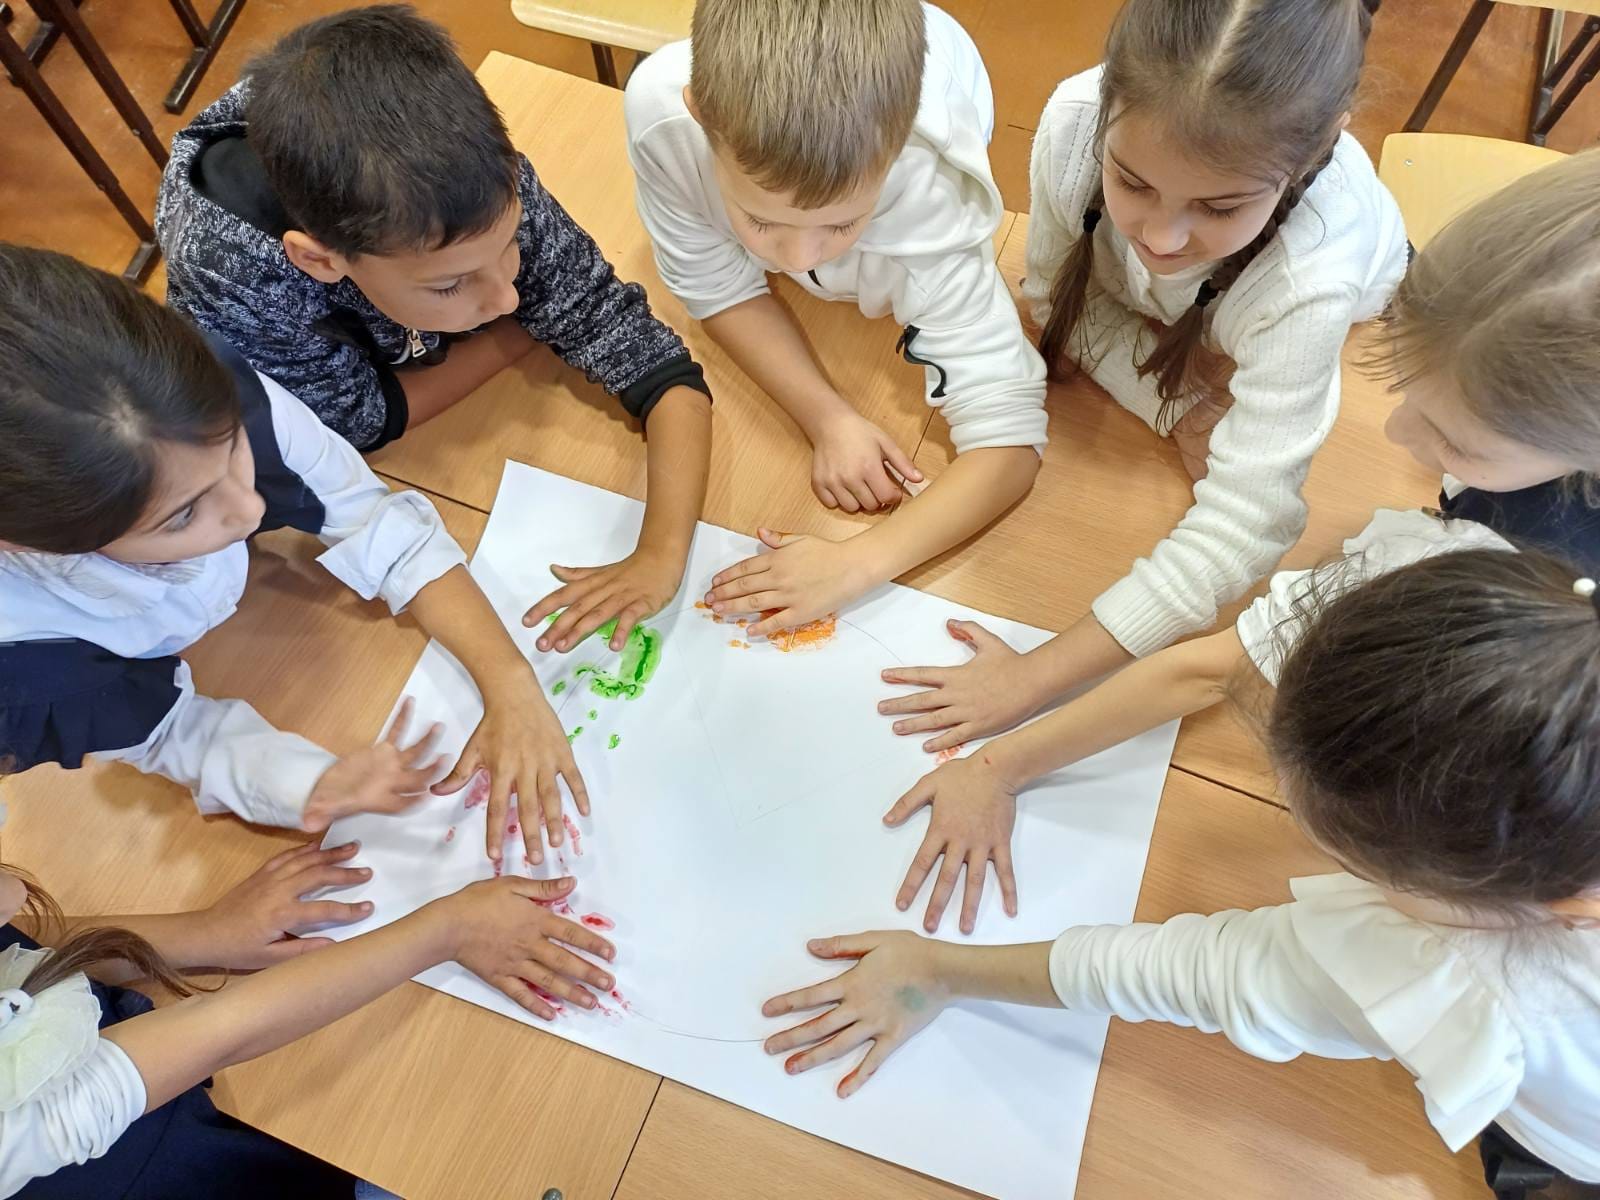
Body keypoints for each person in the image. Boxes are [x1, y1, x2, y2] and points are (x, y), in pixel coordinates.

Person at [875, 147, 1600, 931]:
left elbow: (1212, 671)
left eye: (1460, 443)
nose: (1397, 432)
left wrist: (1000, 766)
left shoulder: (1470, 571)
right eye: (1403, 386)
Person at [768, 548, 1600, 1192]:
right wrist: (1001, 763)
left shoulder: (1465, 978)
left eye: (1346, 853)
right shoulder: (1555, 653)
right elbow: (1225, 667)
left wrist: (939, 970)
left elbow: (1187, 970)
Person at [156, 6, 713, 658]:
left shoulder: (465, 181)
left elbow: (641, 350)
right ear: (322, 260)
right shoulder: (233, 272)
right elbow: (357, 421)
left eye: (510, 246)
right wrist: (525, 330)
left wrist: (660, 555)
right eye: (450, 285)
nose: (505, 294)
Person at [0, 245, 572, 867]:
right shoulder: (26, 658)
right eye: (183, 516)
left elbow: (371, 518)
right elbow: (160, 730)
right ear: (29, 545)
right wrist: (303, 783)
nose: (249, 508)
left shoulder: (188, 398)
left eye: (234, 448)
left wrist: (510, 683)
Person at [627, 1, 1049, 638]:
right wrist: (827, 417)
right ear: (701, 118)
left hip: (938, 80)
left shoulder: (932, 191)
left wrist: (856, 564)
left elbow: (1010, 441)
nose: (797, 258)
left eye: (844, 223)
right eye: (760, 220)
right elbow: (716, 289)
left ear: (898, 148)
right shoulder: (662, 122)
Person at [0, 841, 613, 1197]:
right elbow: (220, 1031)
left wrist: (205, 933)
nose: (16, 895)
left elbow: (23, 960)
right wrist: (449, 929)